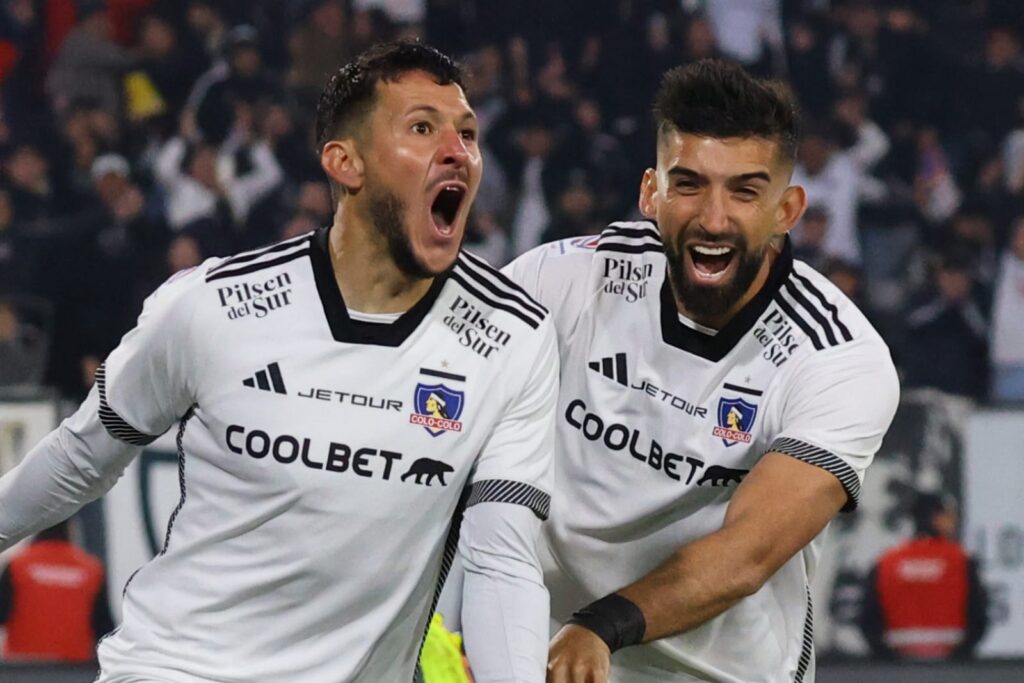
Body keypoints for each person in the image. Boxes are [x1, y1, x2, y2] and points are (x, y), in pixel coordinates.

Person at [0, 40, 556, 682]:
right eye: (423, 128)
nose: (457, 151)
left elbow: (501, 561)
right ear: (346, 163)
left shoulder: (512, 335)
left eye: (467, 132)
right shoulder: (213, 306)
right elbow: (79, 458)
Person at [505, 59, 899, 682]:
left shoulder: (839, 358)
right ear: (650, 194)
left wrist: (598, 626)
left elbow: (746, 555)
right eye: (688, 184)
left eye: (744, 191)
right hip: (557, 663)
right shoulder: (560, 283)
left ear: (787, 209)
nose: (714, 218)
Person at [859, 492, 989, 660]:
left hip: (898, 668)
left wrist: (887, 659)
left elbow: (868, 620)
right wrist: (960, 656)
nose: (954, 521)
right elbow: (978, 617)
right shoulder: (961, 561)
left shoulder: (886, 562)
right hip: (952, 667)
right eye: (949, 515)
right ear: (935, 517)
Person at [0, 518, 114, 662]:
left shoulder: (18, 565)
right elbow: (104, 628)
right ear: (71, 529)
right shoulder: (91, 570)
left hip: (23, 668)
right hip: (73, 670)